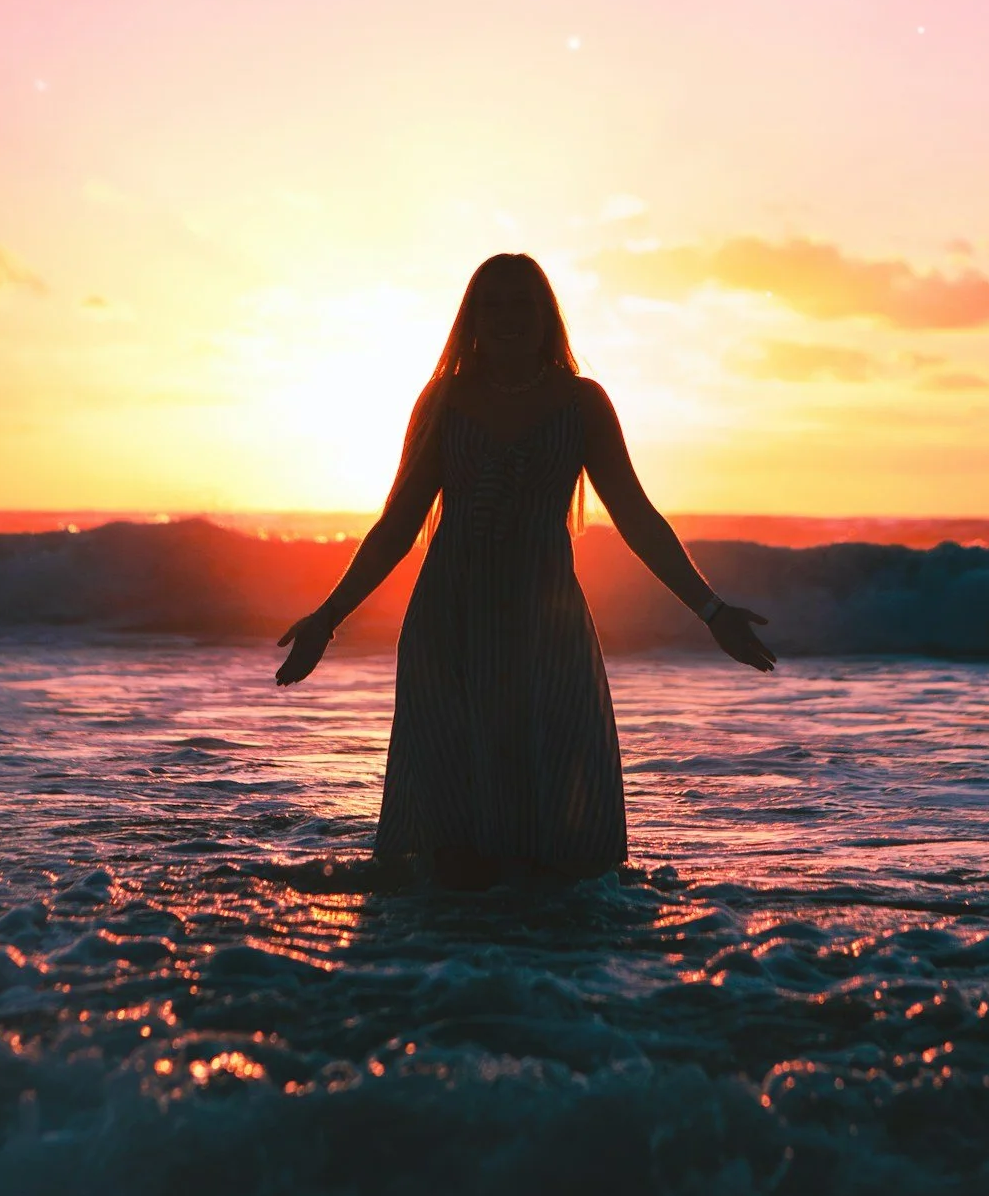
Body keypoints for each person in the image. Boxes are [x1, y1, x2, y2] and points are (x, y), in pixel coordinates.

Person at [276, 252, 775, 887]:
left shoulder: (583, 403)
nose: (509, 317)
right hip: (449, 622)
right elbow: (397, 526)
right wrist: (328, 616)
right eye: (495, 304)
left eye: (524, 304)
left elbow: (636, 515)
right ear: (472, 318)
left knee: (557, 839)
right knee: (450, 834)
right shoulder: (443, 401)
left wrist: (711, 610)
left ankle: (547, 963)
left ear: (546, 317)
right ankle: (451, 969)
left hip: (547, 628)